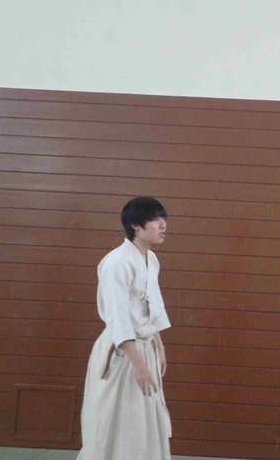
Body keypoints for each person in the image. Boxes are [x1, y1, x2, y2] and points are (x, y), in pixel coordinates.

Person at [77, 197, 173, 460]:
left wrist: (159, 347)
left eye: (164, 219)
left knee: (144, 422)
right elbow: (117, 318)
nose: (163, 225)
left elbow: (152, 307)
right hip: (122, 353)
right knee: (116, 420)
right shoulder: (117, 262)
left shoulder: (151, 259)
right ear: (135, 225)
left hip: (145, 348)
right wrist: (138, 363)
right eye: (155, 220)